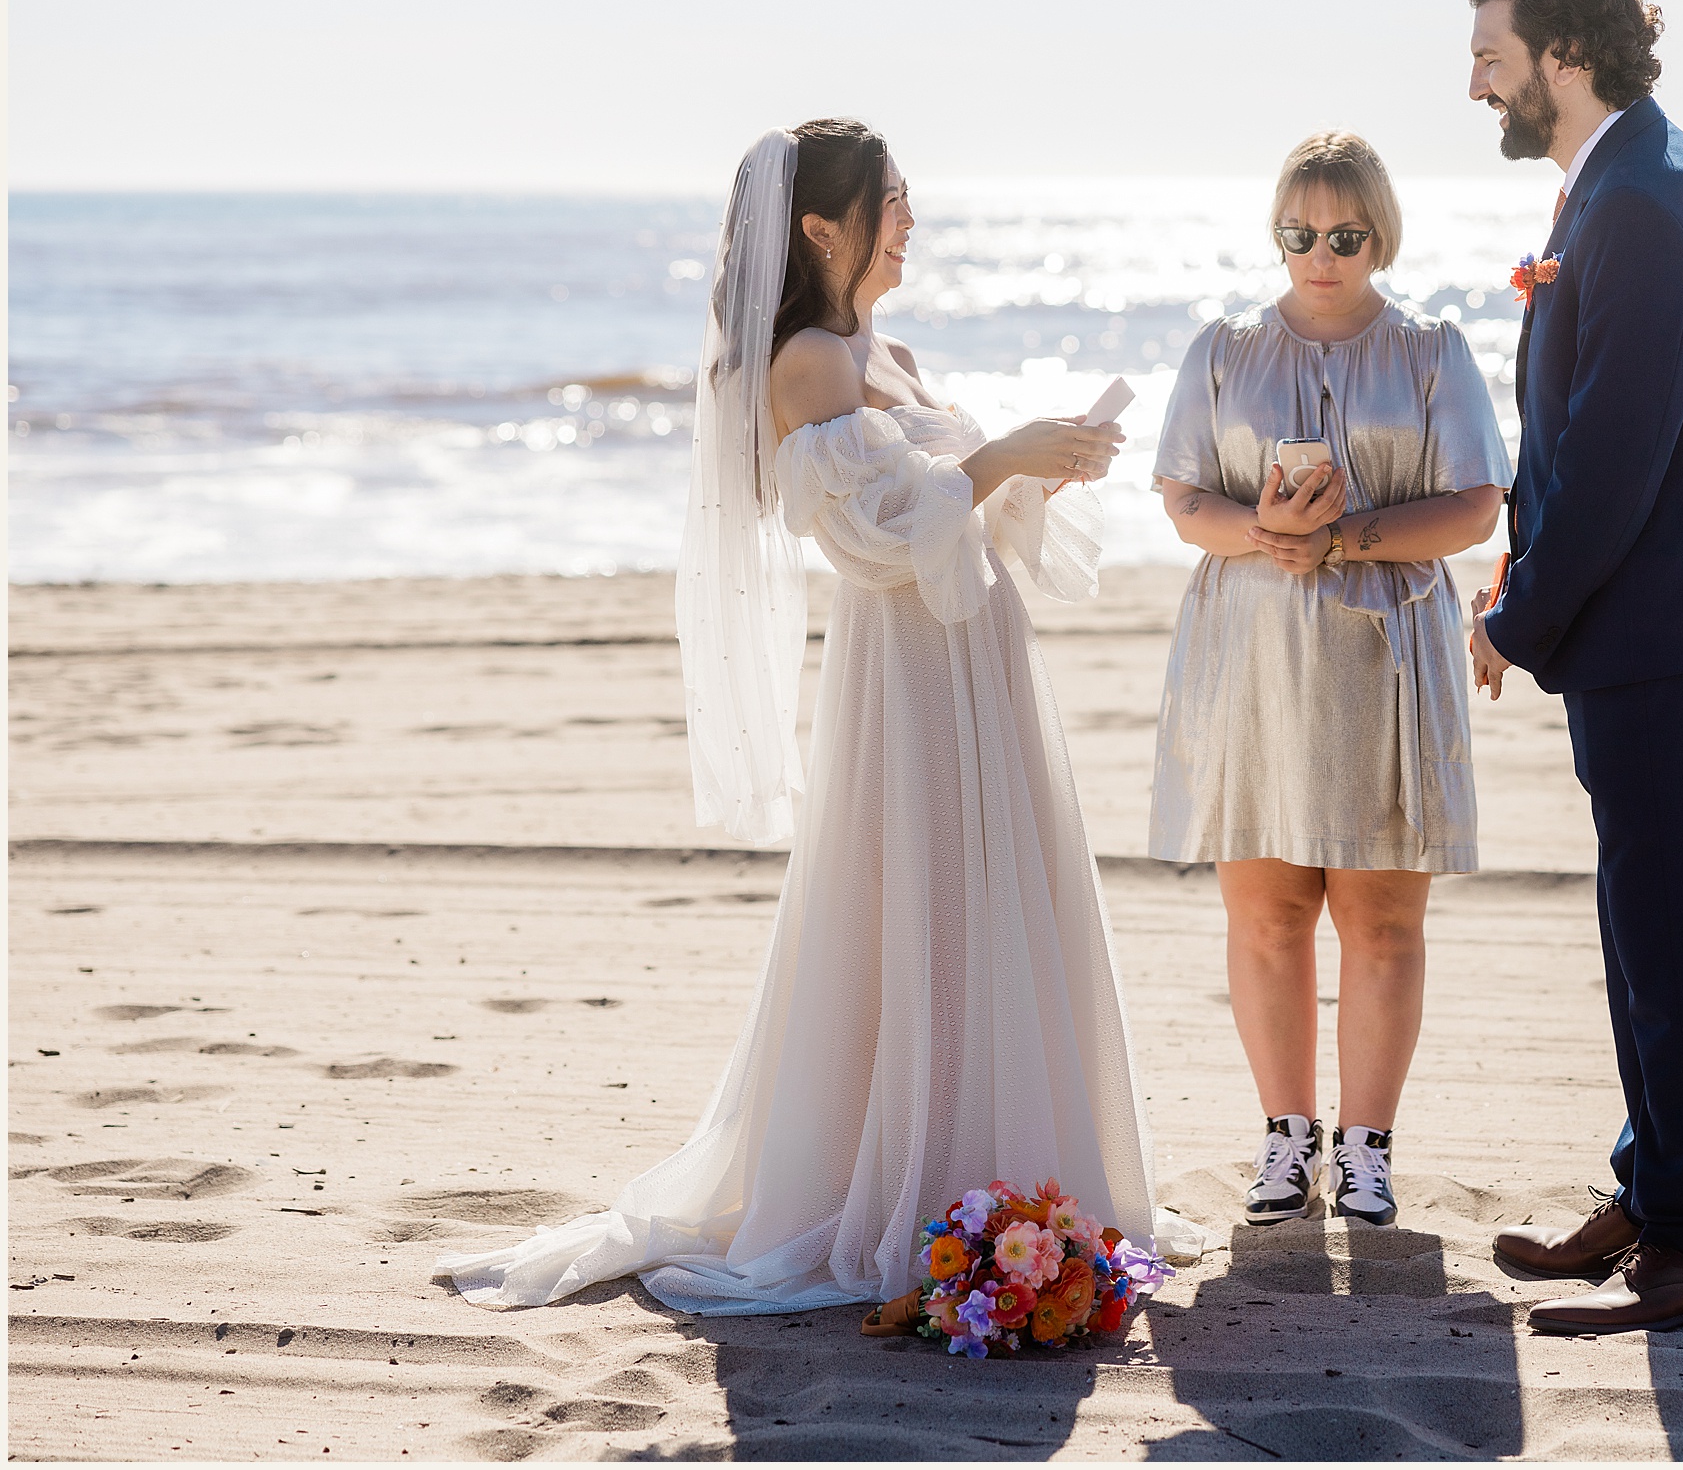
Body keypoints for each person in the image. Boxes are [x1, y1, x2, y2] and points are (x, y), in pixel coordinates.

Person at [436, 118, 1170, 1314]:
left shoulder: (891, 347)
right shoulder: (805, 364)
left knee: (996, 893)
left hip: (981, 649)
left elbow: (945, 505)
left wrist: (1043, 465)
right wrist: (1001, 457)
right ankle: (919, 1179)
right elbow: (871, 537)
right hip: (911, 671)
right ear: (821, 226)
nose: (910, 219)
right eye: (890, 200)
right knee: (924, 895)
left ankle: (999, 1169)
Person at [1461, 0, 1683, 1332]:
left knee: (1669, 932)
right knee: (1641, 922)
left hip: (1675, 622)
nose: (1474, 79)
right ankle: (1654, 1190)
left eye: (1492, 53)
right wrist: (1519, 561)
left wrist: (1516, 615)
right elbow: (1581, 434)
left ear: (1565, 56)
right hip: (1651, 620)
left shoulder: (1646, 203)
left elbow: (1618, 458)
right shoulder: (1616, 182)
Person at [1150, 131, 1511, 1229]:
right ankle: (1283, 1137)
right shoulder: (1222, 348)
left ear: (1379, 232)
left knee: (1381, 916)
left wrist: (1347, 539)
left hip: (1382, 649)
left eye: (1342, 235)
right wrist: (1266, 537)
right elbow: (1180, 497)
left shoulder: (1431, 351)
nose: (1319, 254)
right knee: (1266, 913)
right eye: (1296, 233)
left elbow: (1472, 505)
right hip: (1252, 650)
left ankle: (1367, 1147)